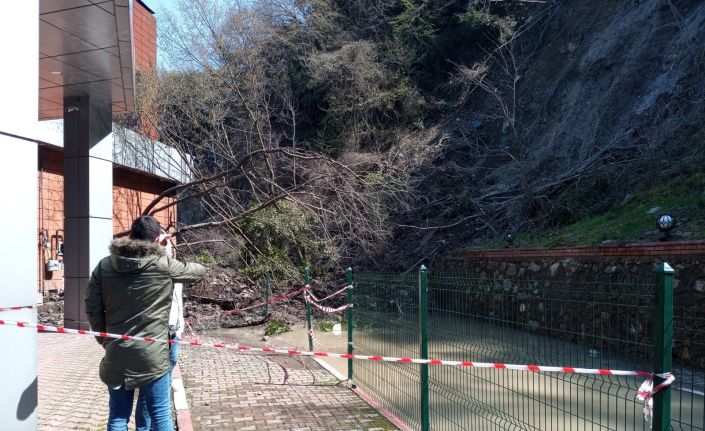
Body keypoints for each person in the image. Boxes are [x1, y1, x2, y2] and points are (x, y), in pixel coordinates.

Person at [85, 216, 207, 431]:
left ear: (130, 236)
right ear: (158, 239)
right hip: (152, 357)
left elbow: (92, 308)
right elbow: (199, 272)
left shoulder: (104, 266)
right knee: (160, 416)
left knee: (117, 418)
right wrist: (165, 250)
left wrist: (105, 339)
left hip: (116, 352)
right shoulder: (163, 265)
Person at [135, 229, 185, 431]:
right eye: (164, 241)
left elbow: (177, 301)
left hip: (173, 335)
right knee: (154, 395)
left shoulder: (172, 267)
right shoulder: (147, 268)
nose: (169, 245)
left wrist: (179, 328)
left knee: (156, 393)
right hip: (155, 337)